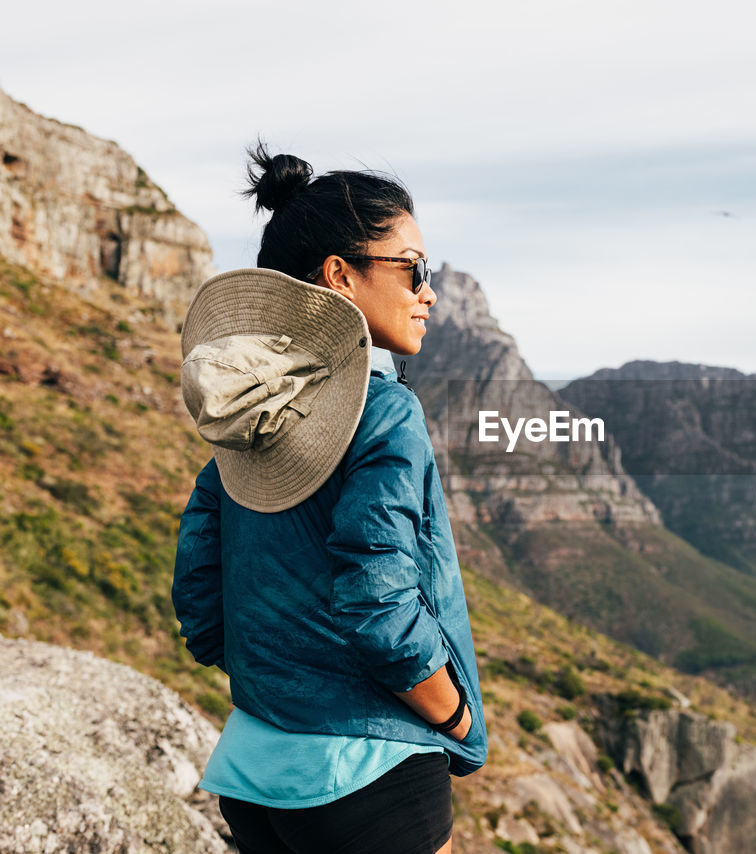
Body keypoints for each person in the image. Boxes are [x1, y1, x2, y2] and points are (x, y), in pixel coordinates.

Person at [171, 143, 486, 854]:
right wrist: (457, 719)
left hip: (253, 773)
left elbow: (199, 594)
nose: (428, 291)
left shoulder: (251, 415)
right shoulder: (386, 413)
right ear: (341, 276)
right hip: (370, 780)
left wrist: (280, 679)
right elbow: (381, 604)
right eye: (413, 269)